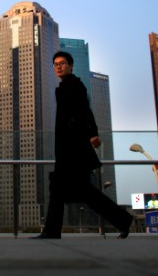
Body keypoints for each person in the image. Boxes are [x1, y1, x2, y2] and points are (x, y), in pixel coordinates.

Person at [32, 51, 134, 240]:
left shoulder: (75, 86)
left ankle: (52, 231)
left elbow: (84, 110)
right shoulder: (62, 88)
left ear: (70, 65)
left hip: (74, 148)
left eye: (62, 63)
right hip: (66, 148)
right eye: (55, 64)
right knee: (73, 191)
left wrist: (92, 132)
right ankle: (122, 220)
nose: (58, 66)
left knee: (66, 189)